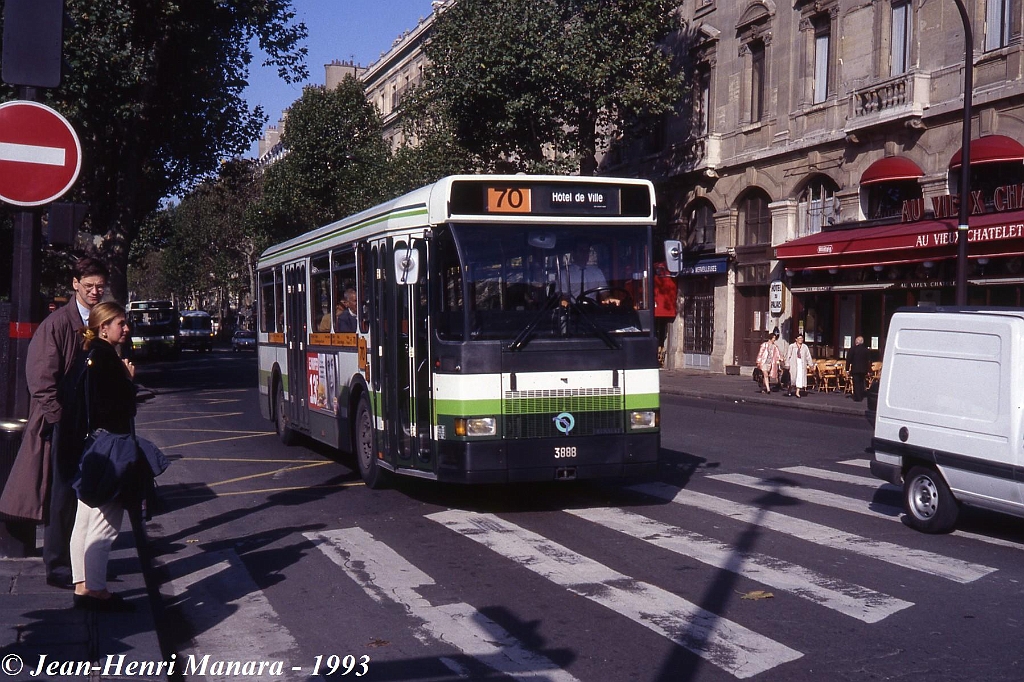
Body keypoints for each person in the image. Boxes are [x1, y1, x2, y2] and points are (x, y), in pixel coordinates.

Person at [0, 257, 109, 589]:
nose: (94, 292)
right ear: (75, 284)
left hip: (92, 420)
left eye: (99, 286)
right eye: (88, 286)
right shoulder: (58, 324)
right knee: (61, 497)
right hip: (65, 421)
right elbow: (41, 379)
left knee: (89, 497)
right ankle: (58, 564)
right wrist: (59, 419)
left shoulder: (103, 319)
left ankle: (82, 563)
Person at [68, 302, 138, 612]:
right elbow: (114, 409)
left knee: (84, 518)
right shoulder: (107, 360)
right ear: (103, 328)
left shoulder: (90, 354)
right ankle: (96, 591)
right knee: (106, 521)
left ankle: (82, 583)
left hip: (91, 444)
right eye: (120, 323)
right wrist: (128, 382)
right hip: (110, 445)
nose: (126, 329)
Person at [848, 335, 871, 402]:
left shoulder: (853, 349)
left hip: (855, 369)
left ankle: (858, 397)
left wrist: (847, 368)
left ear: (857, 342)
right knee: (861, 382)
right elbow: (869, 360)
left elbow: (849, 359)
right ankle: (861, 394)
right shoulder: (866, 350)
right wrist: (869, 369)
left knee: (856, 383)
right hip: (863, 369)